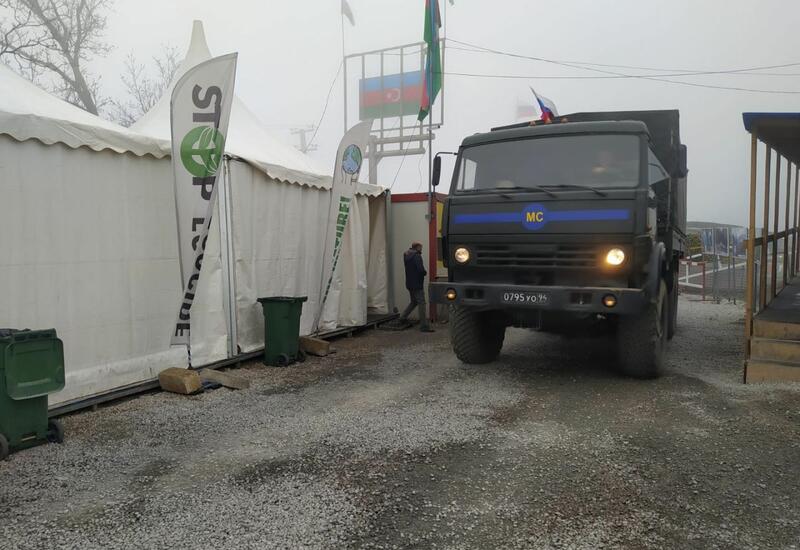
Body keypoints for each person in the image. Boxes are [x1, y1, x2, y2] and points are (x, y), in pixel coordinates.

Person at [400, 242, 434, 332]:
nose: (421, 249)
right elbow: (420, 269)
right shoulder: (417, 256)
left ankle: (402, 318)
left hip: (409, 283)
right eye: (421, 247)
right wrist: (425, 273)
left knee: (414, 302)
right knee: (422, 303)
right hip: (417, 284)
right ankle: (424, 326)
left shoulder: (406, 255)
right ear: (417, 247)